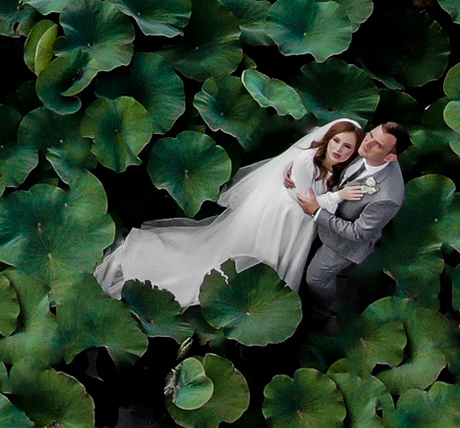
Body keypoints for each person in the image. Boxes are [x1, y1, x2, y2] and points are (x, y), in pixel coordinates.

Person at [94, 119, 364, 306]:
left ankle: (265, 299)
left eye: (347, 146)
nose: (339, 149)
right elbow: (308, 203)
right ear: (327, 139)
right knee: (247, 261)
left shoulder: (335, 168)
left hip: (296, 222)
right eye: (337, 141)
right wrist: (340, 196)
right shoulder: (306, 160)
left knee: (272, 266)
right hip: (282, 218)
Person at [297, 121, 406, 336]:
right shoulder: (362, 147)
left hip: (343, 245)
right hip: (330, 216)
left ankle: (320, 314)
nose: (367, 143)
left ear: (390, 157)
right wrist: (300, 174)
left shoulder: (388, 196)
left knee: (316, 278)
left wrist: (317, 211)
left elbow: (358, 233)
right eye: (371, 135)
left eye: (378, 145)